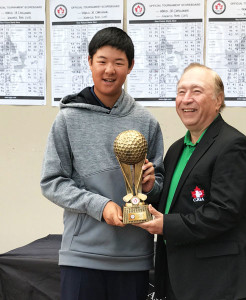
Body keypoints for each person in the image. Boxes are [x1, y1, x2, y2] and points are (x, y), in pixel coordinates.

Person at [40, 27, 164, 300]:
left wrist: (151, 184)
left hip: (134, 257)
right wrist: (100, 205)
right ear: (89, 62)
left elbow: (160, 186)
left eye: (118, 63)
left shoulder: (147, 122)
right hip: (82, 255)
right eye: (102, 61)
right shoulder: (68, 119)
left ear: (130, 66)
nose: (110, 70)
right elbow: (52, 182)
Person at [136, 63, 246, 300]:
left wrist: (166, 226)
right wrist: (150, 189)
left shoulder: (233, 145)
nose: (186, 99)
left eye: (197, 91)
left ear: (218, 100)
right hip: (178, 279)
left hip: (217, 284)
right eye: (181, 92)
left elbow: (225, 212)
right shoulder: (176, 150)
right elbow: (175, 206)